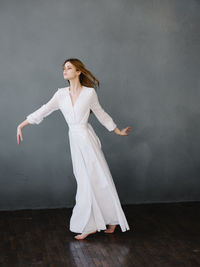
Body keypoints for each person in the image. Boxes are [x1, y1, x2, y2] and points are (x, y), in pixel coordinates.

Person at [17, 58, 131, 240]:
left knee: (99, 178)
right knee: (85, 181)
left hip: (87, 139)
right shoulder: (60, 94)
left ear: (78, 71)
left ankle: (106, 221)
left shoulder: (89, 93)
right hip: (75, 140)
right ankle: (96, 222)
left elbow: (100, 113)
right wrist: (21, 125)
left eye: (69, 68)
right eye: (64, 68)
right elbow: (44, 110)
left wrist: (116, 130)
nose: (65, 71)